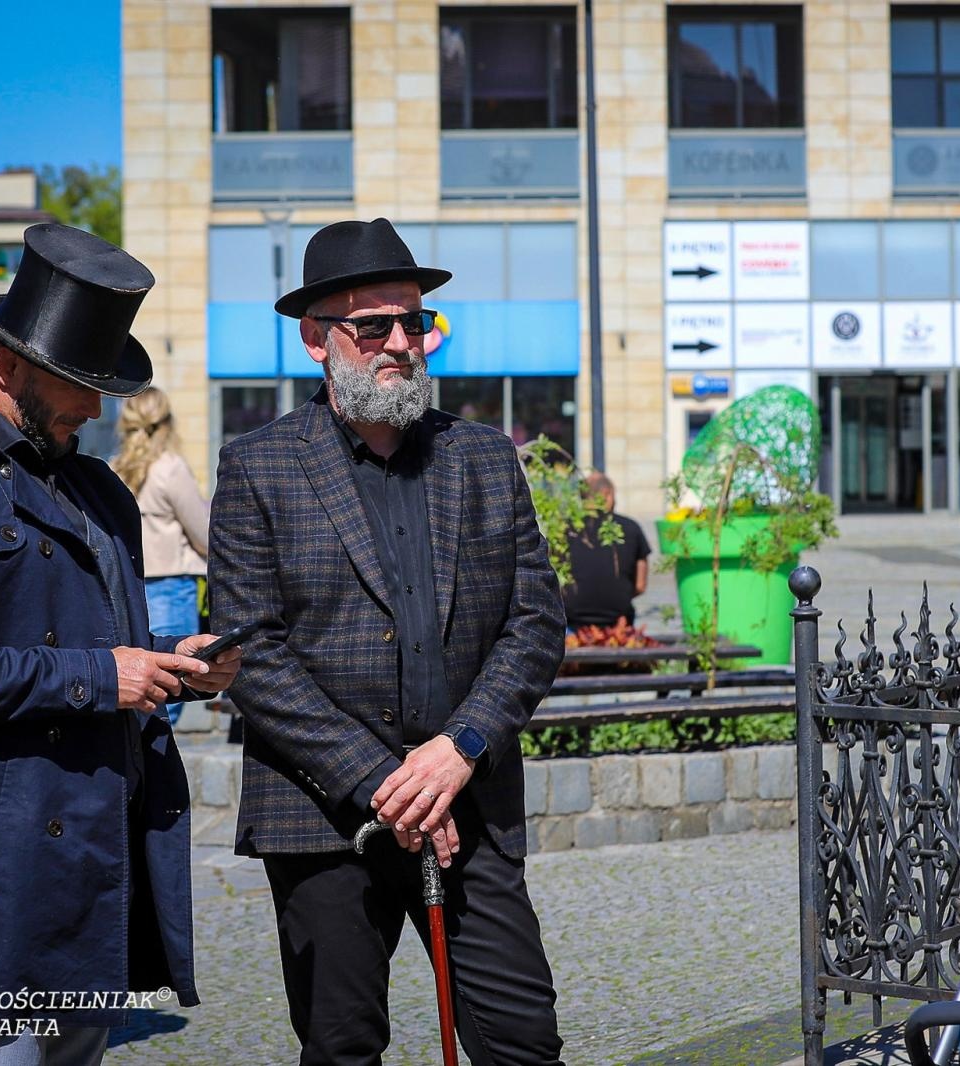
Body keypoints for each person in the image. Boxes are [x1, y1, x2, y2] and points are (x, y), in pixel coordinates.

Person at [0, 223, 243, 1066]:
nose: (95, 410)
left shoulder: (96, 486)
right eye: (78, 385)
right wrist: (101, 677)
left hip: (99, 845)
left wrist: (179, 660)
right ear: (8, 364)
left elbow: (104, 640)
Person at [208, 217, 566, 1065]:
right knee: (343, 1046)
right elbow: (254, 654)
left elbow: (534, 623)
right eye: (374, 326)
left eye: (415, 321)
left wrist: (459, 748)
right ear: (316, 339)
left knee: (523, 1041)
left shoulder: (483, 458)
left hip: (467, 799)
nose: (402, 343)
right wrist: (385, 784)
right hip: (322, 812)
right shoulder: (257, 466)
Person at [112, 386, 211, 725]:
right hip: (171, 586)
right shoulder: (170, 468)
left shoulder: (114, 468)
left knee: (139, 691)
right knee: (171, 686)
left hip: (128, 586)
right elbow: (203, 534)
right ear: (167, 422)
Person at [560, 472, 651, 629]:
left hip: (571, 621)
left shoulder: (563, 529)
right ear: (607, 495)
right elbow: (640, 585)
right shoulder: (631, 528)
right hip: (618, 623)